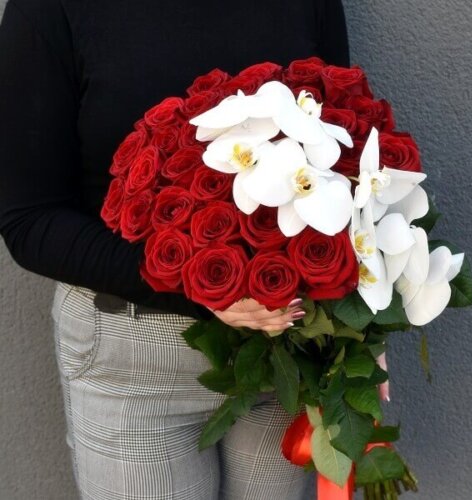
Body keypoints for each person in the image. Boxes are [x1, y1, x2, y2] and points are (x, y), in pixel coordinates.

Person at [0, 1, 353, 499]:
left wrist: (361, 332)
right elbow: (30, 220)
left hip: (285, 352)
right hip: (133, 358)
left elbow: (345, 154)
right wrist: (202, 285)